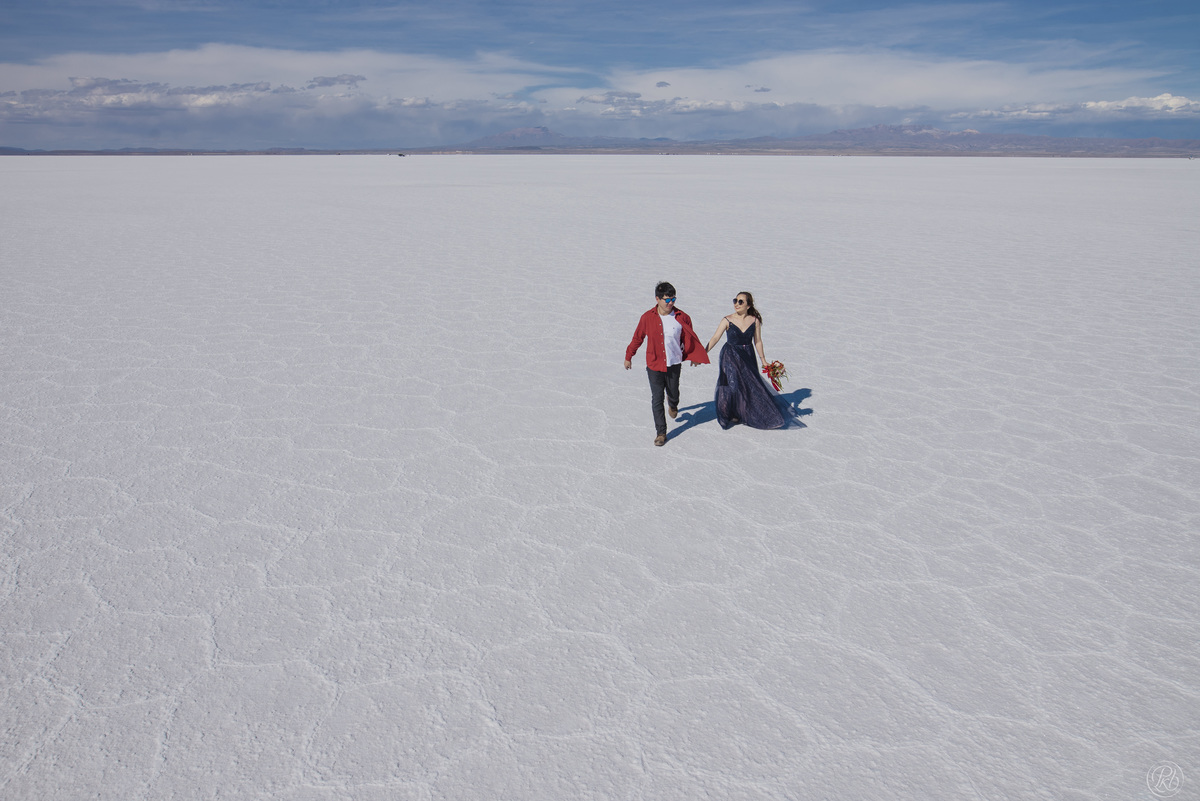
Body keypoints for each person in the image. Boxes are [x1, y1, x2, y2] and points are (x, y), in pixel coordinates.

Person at [625, 282, 711, 446]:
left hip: (674, 363)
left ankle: (673, 404)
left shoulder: (682, 317)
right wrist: (629, 356)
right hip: (654, 365)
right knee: (657, 399)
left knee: (673, 393)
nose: (671, 303)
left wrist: (694, 355)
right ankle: (661, 433)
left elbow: (689, 339)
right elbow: (638, 338)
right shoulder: (647, 317)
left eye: (673, 299)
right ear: (657, 299)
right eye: (667, 299)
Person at [704, 291, 786, 430]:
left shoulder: (754, 321)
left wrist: (763, 361)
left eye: (741, 301)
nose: (737, 304)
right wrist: (704, 352)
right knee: (731, 384)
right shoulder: (727, 320)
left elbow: (758, 341)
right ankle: (728, 413)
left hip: (747, 355)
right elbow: (715, 338)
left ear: (748, 305)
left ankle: (742, 413)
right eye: (735, 300)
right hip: (730, 355)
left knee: (748, 384)